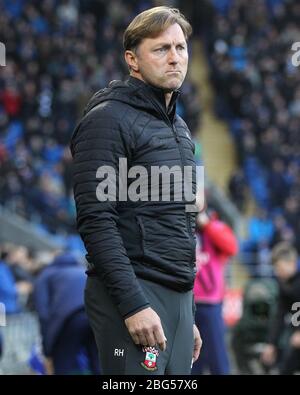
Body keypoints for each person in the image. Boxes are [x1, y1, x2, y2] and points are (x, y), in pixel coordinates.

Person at [70, 6, 202, 375]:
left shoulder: (180, 128)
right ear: (133, 60)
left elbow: (179, 223)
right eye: (161, 49)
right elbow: (96, 221)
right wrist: (133, 305)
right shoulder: (107, 120)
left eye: (181, 47)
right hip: (133, 293)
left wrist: (185, 313)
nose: (175, 57)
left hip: (176, 297)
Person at [33, 252, 100, 375]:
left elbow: (43, 314)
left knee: (62, 365)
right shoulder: (83, 270)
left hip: (71, 319)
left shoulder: (46, 275)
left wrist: (47, 351)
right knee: (99, 364)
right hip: (97, 316)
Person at [192, 210, 238, 375]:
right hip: (187, 302)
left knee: (217, 356)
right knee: (191, 357)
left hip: (211, 303)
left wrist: (208, 225)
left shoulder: (215, 226)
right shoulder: (183, 227)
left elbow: (232, 247)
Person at [261, 242, 300, 374]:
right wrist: (271, 344)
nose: (277, 272)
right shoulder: (285, 285)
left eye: (279, 267)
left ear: (291, 263)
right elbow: (280, 315)